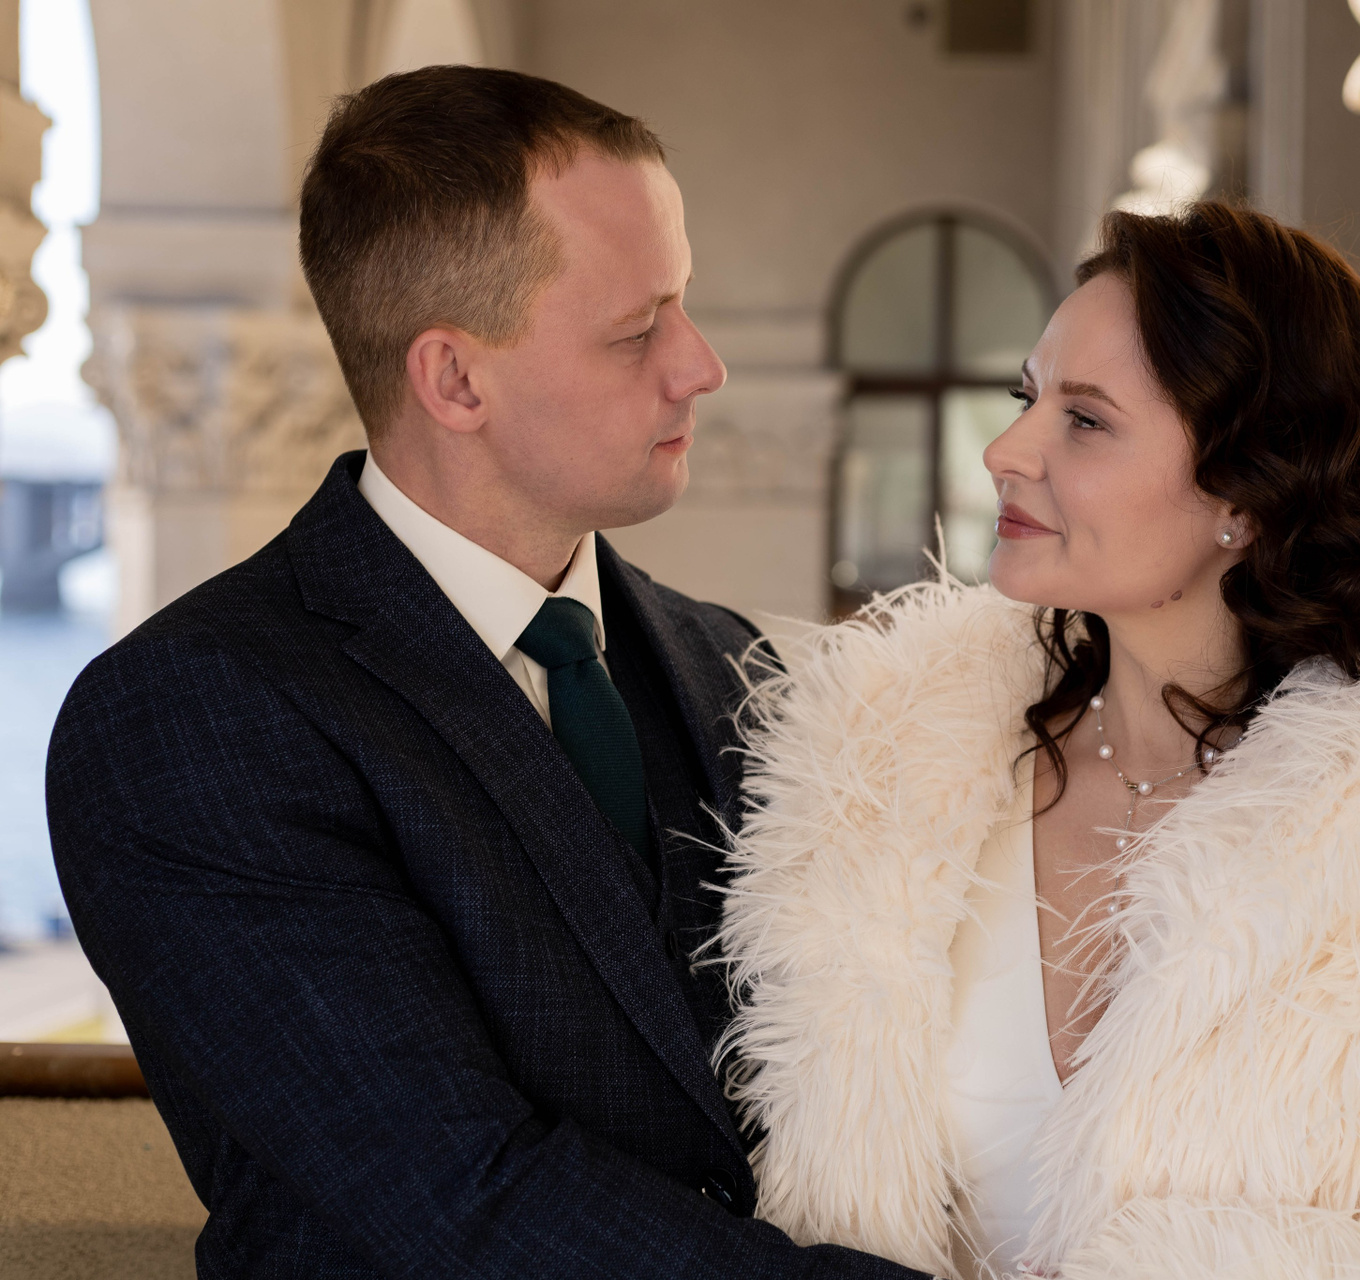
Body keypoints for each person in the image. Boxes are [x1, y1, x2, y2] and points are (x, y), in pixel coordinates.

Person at [712, 203, 1360, 1278]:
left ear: (1247, 495)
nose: (1004, 450)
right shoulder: (888, 781)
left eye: (1086, 421)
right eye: (1029, 398)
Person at [47, 66, 924, 1280]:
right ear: (454, 379)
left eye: (685, 304)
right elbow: (457, 1198)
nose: (700, 366)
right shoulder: (188, 714)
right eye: (638, 331)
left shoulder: (743, 668)